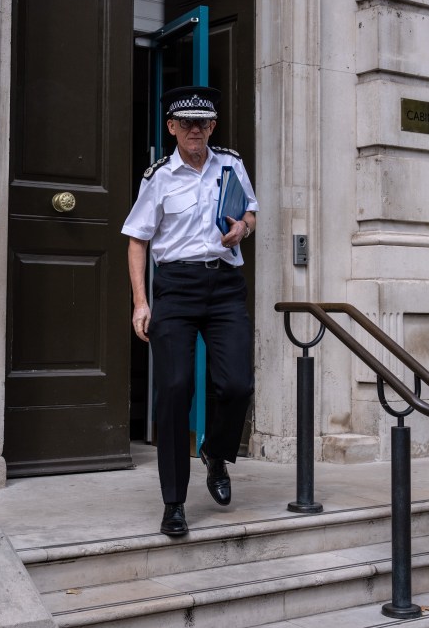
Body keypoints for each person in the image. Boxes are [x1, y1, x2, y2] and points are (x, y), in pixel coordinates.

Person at [122, 86, 258, 536]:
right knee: (176, 388)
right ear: (172, 128)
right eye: (187, 123)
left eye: (204, 123)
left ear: (213, 127)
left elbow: (250, 215)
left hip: (223, 285)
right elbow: (138, 239)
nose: (195, 130)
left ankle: (215, 452)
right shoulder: (158, 176)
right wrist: (142, 302)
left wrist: (242, 227)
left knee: (237, 384)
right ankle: (174, 503)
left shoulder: (231, 164)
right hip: (177, 288)